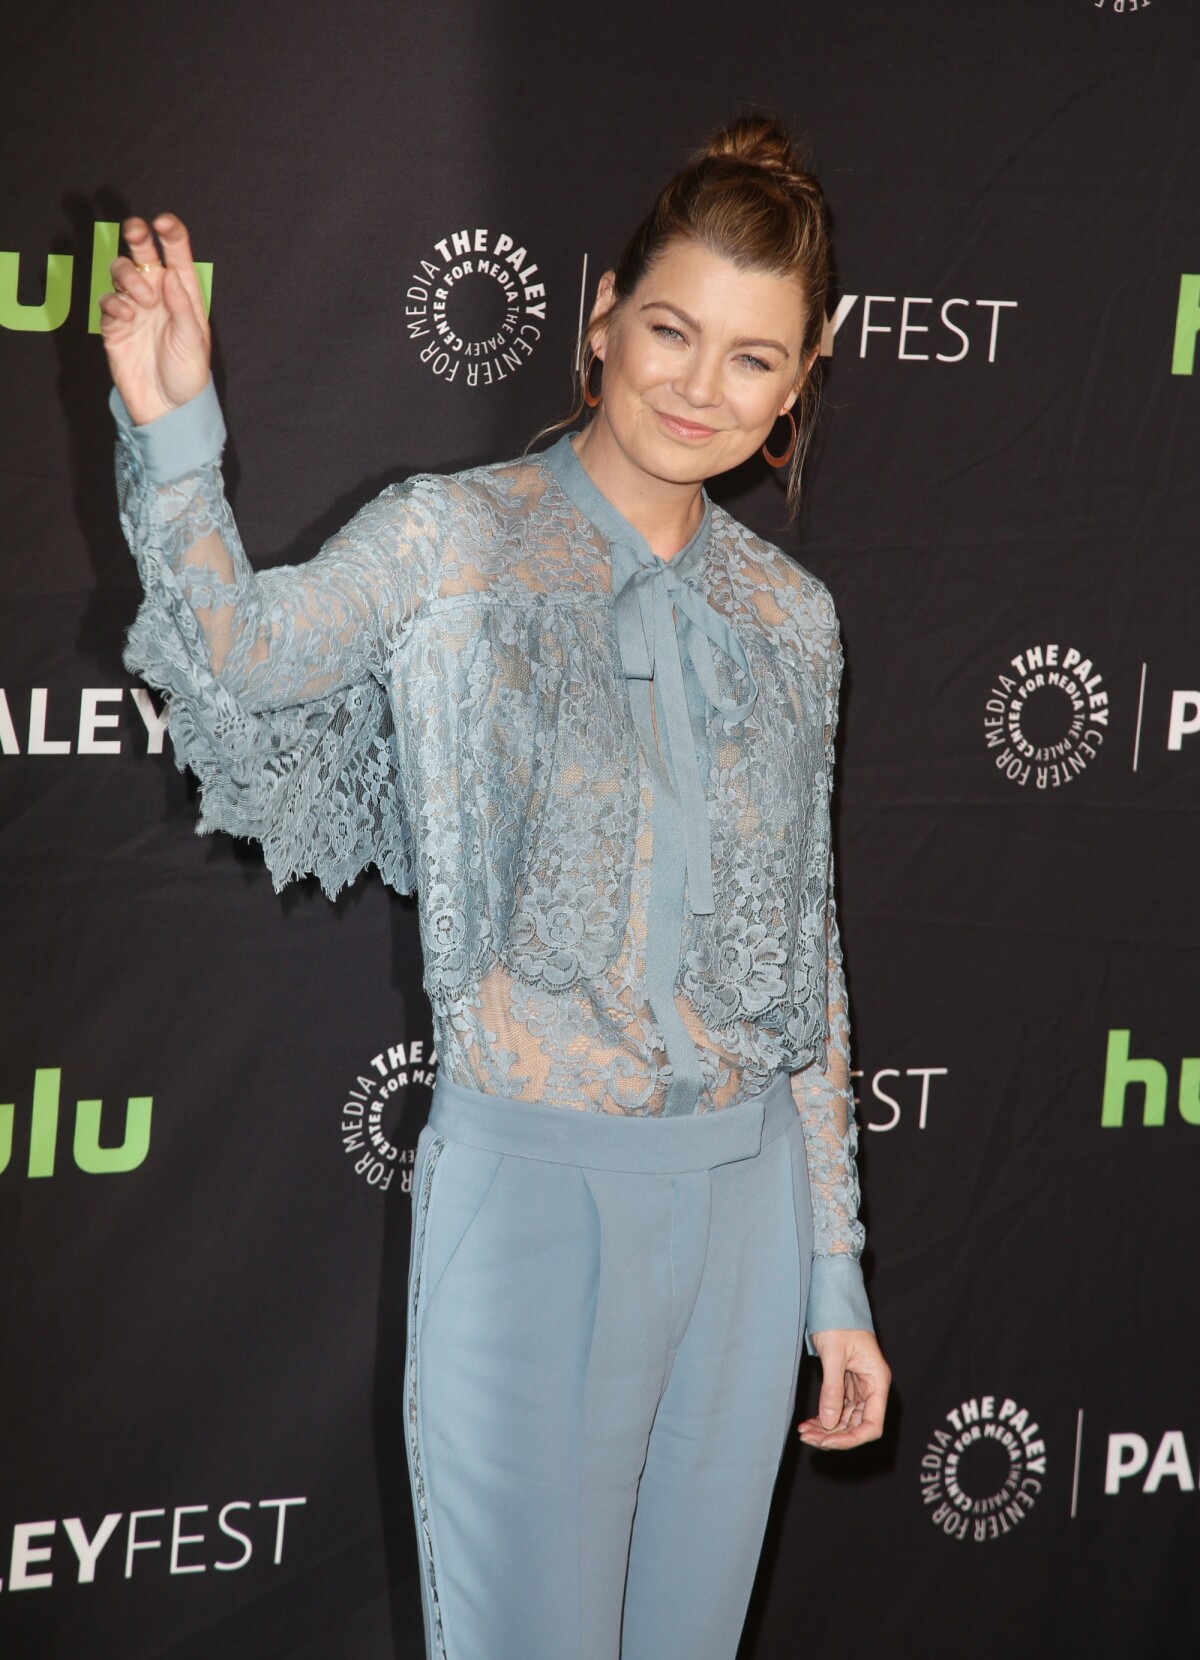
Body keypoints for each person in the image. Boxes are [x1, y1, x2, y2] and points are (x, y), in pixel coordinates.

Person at [101, 115, 891, 1660]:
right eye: (669, 330)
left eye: (751, 358)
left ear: (802, 380)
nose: (695, 385)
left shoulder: (797, 619)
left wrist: (834, 1275)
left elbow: (809, 947)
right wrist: (176, 433)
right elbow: (247, 661)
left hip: (750, 1220)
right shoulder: (453, 543)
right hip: (536, 1210)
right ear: (600, 316)